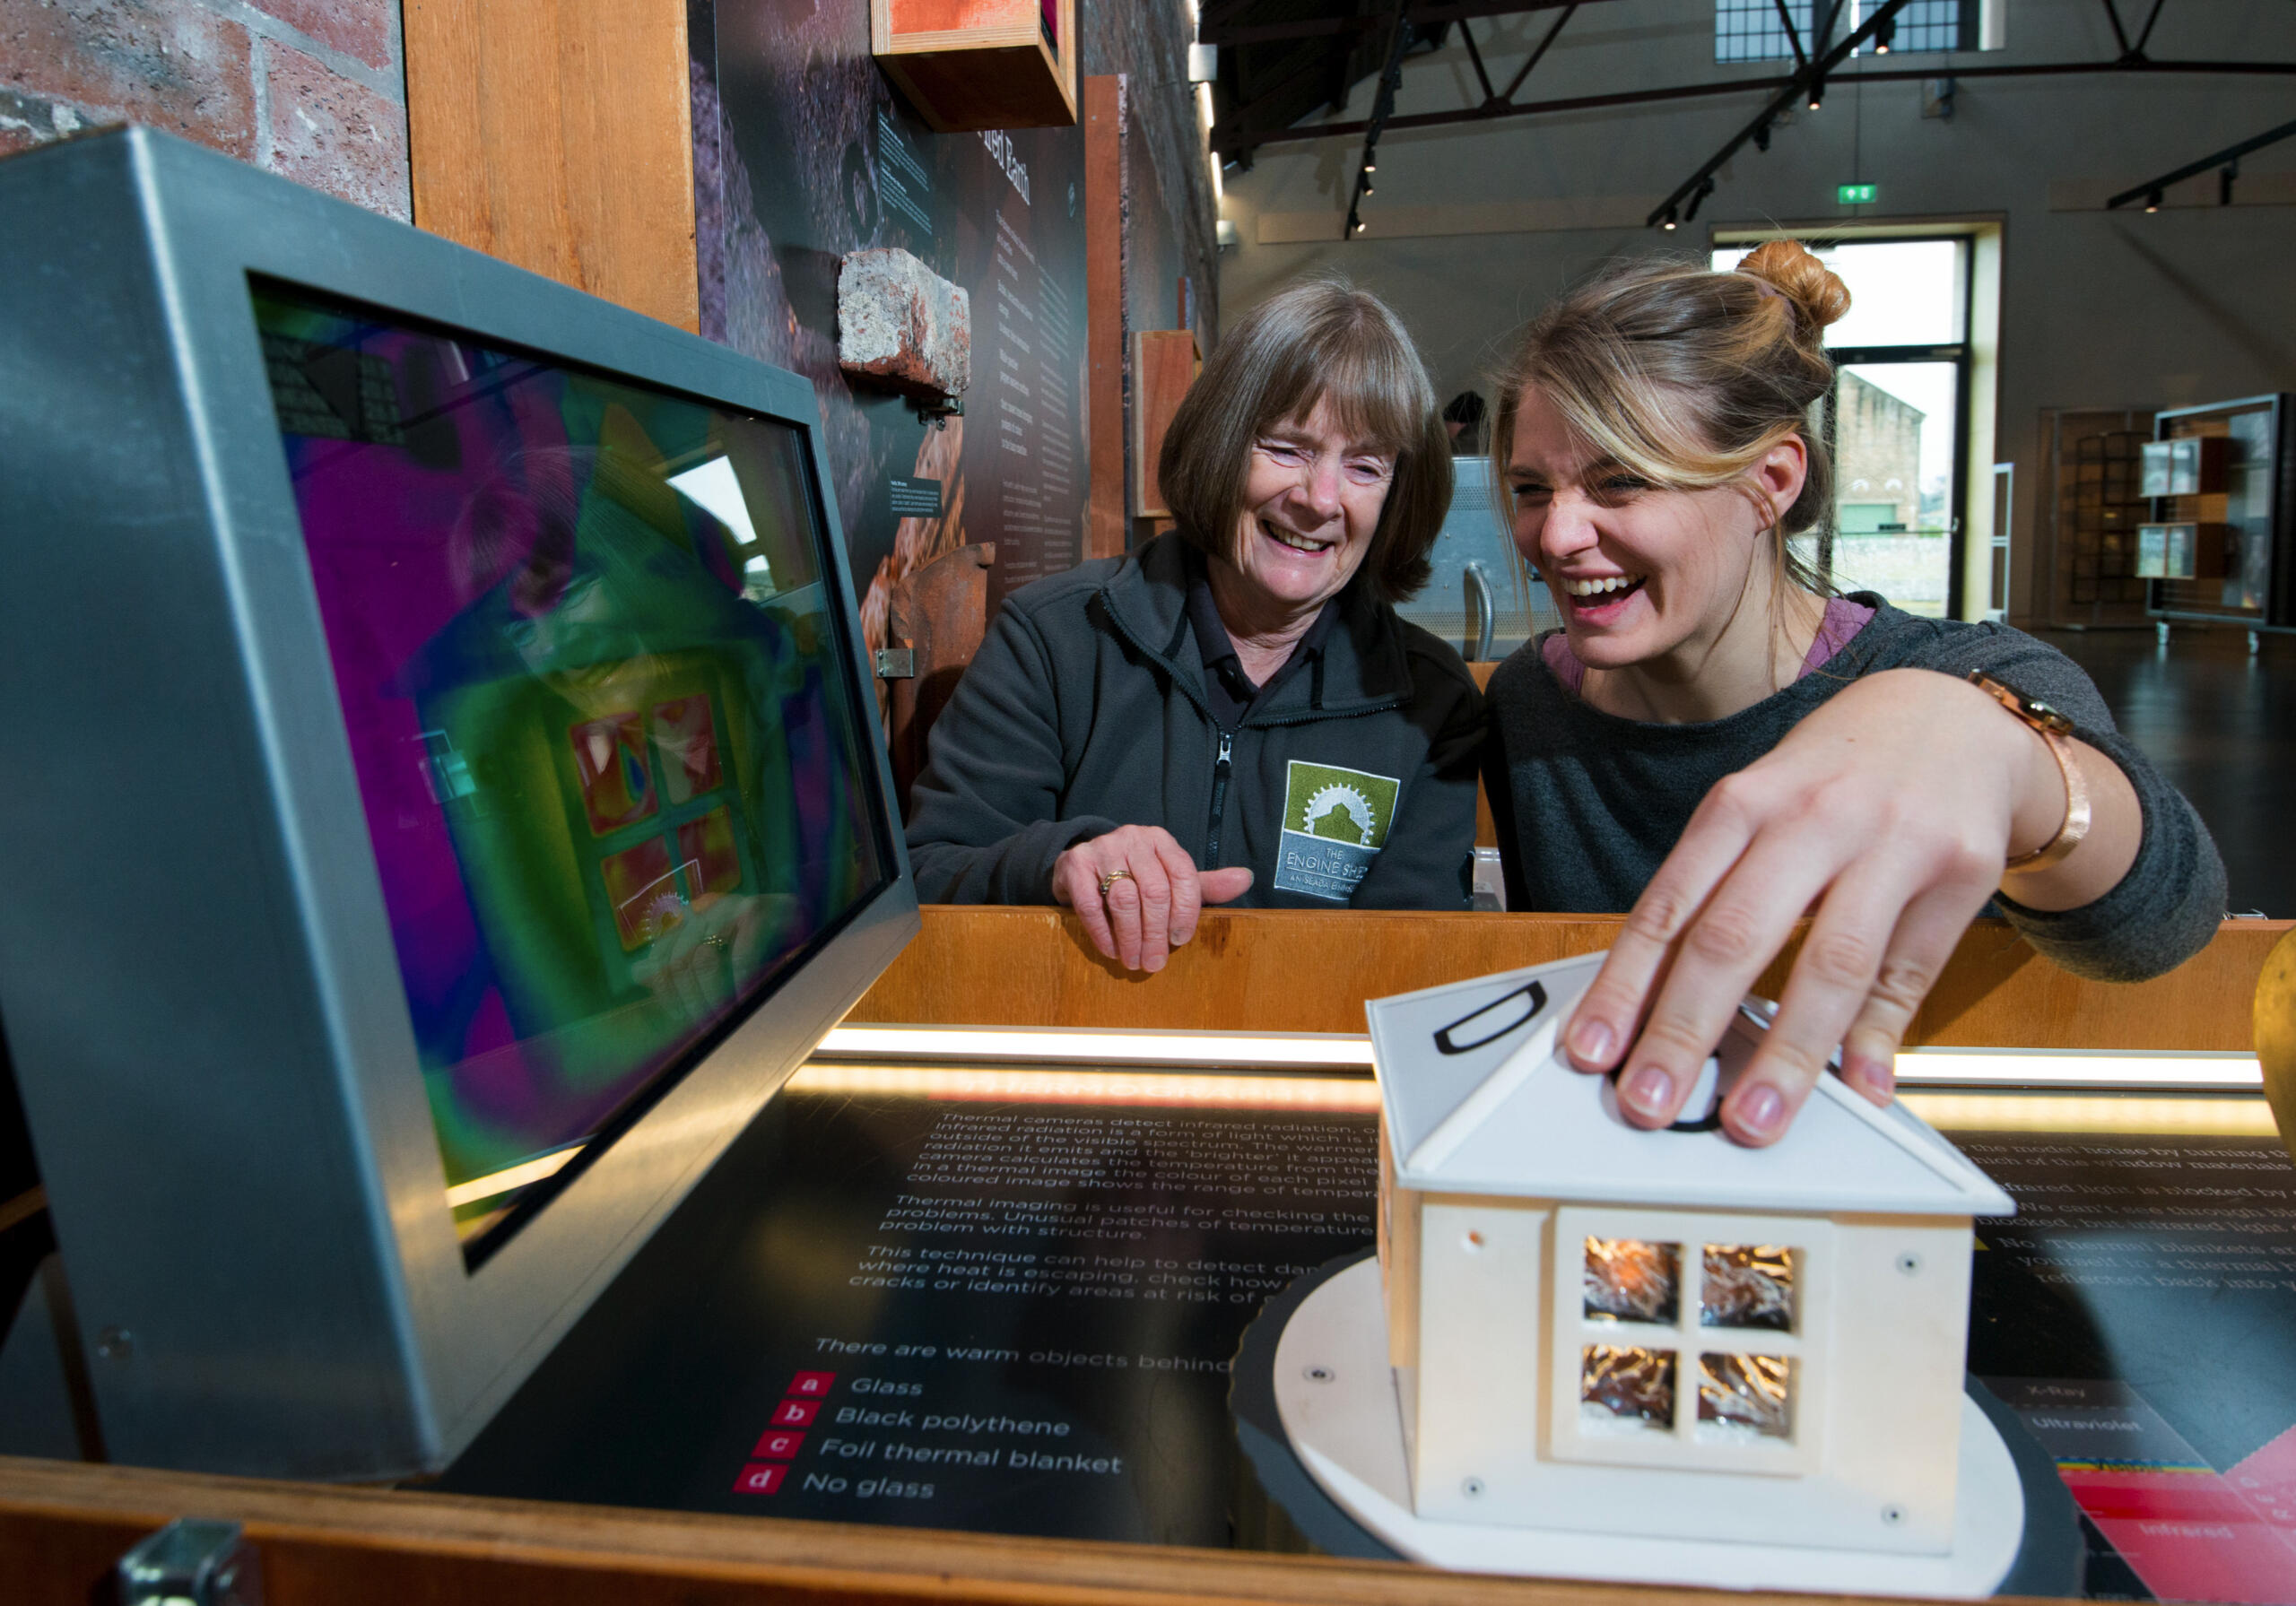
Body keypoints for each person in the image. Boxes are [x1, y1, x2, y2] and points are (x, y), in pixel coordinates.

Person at [1483, 240, 2226, 1148]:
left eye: (1623, 481)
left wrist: (2001, 756)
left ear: (1772, 481)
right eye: (1531, 488)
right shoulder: (1531, 699)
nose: (1556, 534)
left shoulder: (1968, 681)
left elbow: (2161, 924)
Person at [905, 279, 1484, 970]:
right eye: (1288, 448)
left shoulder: (1431, 704)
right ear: (1220, 444)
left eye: (1364, 466)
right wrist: (1059, 864)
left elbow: (1415, 970)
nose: (1319, 499)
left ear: (1396, 495)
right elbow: (929, 875)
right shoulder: (1054, 639)